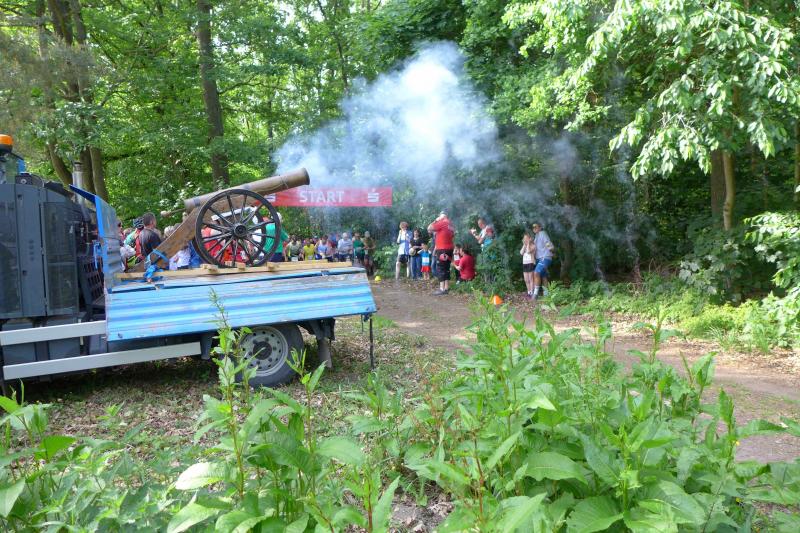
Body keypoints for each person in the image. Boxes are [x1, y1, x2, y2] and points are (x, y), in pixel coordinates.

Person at [427, 212, 455, 295]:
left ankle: (442, 289)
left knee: (440, 268)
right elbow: (453, 235)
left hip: (442, 249)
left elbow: (429, 228)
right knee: (446, 268)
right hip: (449, 249)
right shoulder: (450, 224)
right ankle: (446, 288)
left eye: (439, 216)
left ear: (442, 216)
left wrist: (436, 220)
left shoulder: (442, 222)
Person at [532, 222, 555, 300]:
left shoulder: (542, 233)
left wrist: (551, 250)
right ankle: (546, 295)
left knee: (536, 272)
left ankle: (535, 295)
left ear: (540, 227)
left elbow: (547, 243)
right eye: (533, 227)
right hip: (540, 258)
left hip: (545, 257)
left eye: (536, 227)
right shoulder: (536, 236)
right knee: (543, 276)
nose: (534, 228)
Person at [521, 232, 536, 298]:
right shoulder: (525, 246)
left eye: (526, 238)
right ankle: (529, 292)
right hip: (525, 264)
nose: (525, 239)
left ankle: (532, 293)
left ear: (530, 239)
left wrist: (528, 243)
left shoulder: (533, 246)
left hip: (530, 263)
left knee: (531, 279)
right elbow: (521, 253)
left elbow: (528, 251)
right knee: (526, 280)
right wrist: (524, 245)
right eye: (524, 238)